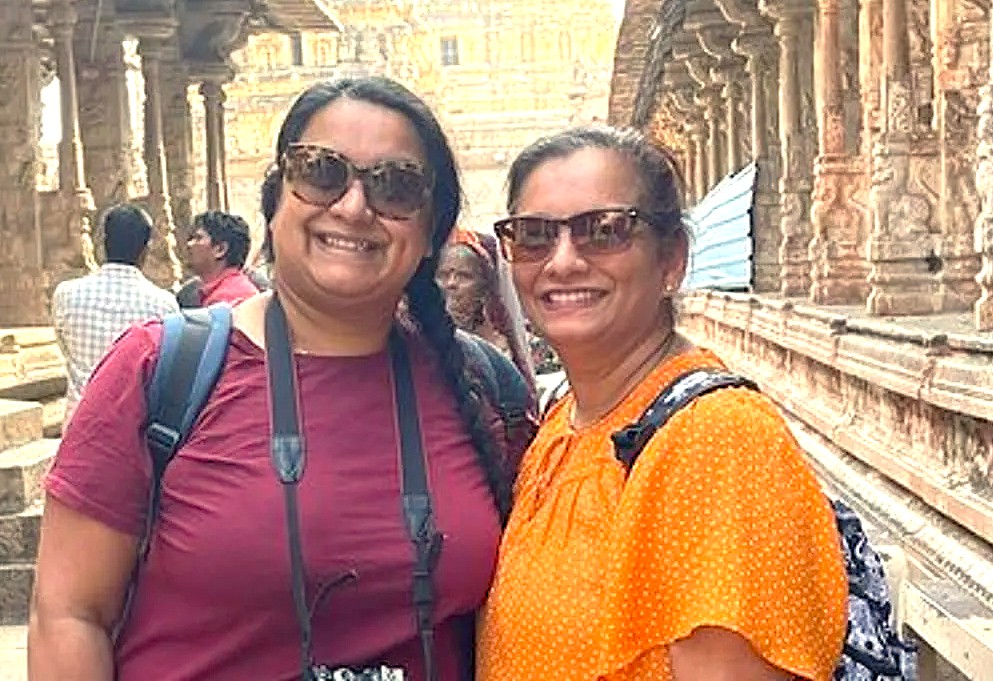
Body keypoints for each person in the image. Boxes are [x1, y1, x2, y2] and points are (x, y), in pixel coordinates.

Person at [29, 76, 528, 681]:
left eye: (395, 187)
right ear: (274, 200)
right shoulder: (161, 371)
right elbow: (68, 614)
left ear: (430, 233)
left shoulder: (479, 387)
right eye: (320, 172)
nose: (352, 207)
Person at [477, 126, 849, 680]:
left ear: (671, 259)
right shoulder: (564, 423)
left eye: (604, 231)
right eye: (534, 235)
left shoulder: (717, 441)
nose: (562, 262)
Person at [51, 203, 179, 421]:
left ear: (101, 243)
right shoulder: (165, 306)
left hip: (80, 423)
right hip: (132, 428)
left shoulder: (66, 294)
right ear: (145, 250)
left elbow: (65, 349)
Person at [437, 229, 535, 390]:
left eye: (464, 276)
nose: (451, 283)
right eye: (443, 275)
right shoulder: (419, 341)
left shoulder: (496, 350)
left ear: (482, 289)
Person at [176, 210, 259, 307]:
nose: (189, 244)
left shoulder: (234, 297)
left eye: (198, 238)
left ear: (220, 250)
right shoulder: (210, 292)